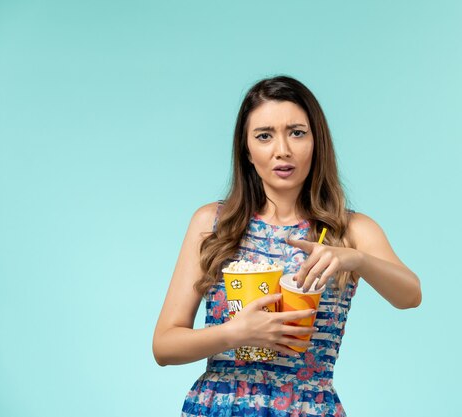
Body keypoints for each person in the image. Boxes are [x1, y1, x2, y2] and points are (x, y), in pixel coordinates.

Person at [152, 75, 422, 416]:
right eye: (264, 136)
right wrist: (235, 333)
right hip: (220, 405)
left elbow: (410, 295)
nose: (283, 150)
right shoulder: (212, 224)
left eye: (297, 132)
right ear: (247, 150)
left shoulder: (350, 229)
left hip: (307, 407)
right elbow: (164, 346)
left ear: (316, 141)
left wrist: (357, 259)